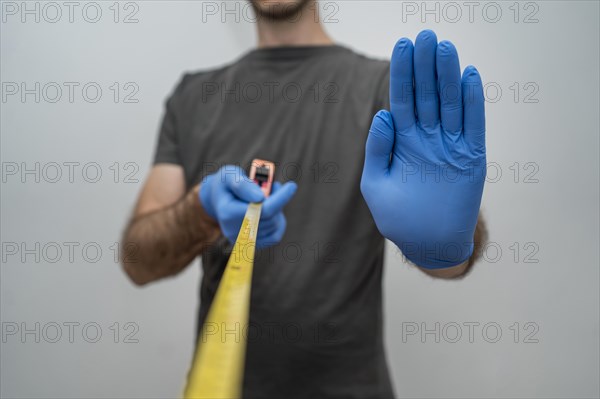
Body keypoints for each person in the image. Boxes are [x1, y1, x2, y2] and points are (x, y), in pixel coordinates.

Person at [121, 0, 488, 397]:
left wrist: (444, 245)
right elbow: (139, 262)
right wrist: (199, 211)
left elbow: (455, 264)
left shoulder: (386, 90)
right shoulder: (193, 98)